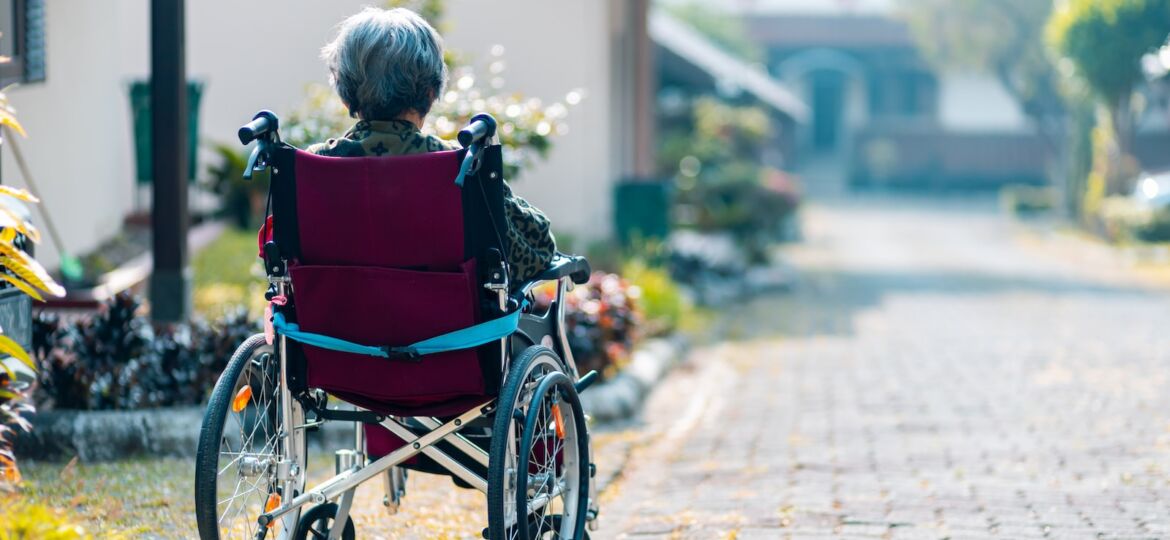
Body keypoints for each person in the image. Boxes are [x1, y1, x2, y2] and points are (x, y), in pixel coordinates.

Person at [309, 7, 556, 284]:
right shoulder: (461, 165)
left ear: (346, 95)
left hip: (335, 324)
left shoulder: (311, 168)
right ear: (430, 92)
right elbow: (538, 250)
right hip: (448, 325)